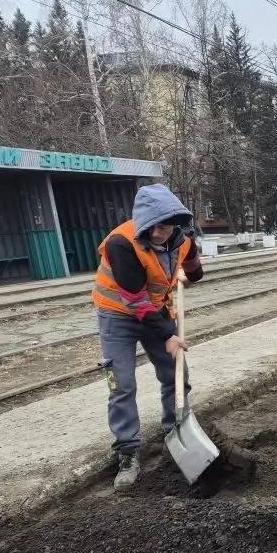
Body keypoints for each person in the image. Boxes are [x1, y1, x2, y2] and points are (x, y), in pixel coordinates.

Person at [91, 184, 203, 490]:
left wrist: (190, 273)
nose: (158, 233)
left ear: (176, 225)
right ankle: (127, 452)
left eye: (165, 227)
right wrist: (169, 335)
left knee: (176, 373)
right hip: (118, 315)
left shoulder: (183, 241)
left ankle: (176, 433)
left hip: (156, 312)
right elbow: (135, 301)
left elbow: (194, 269)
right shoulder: (121, 243)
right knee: (121, 383)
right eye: (152, 227)